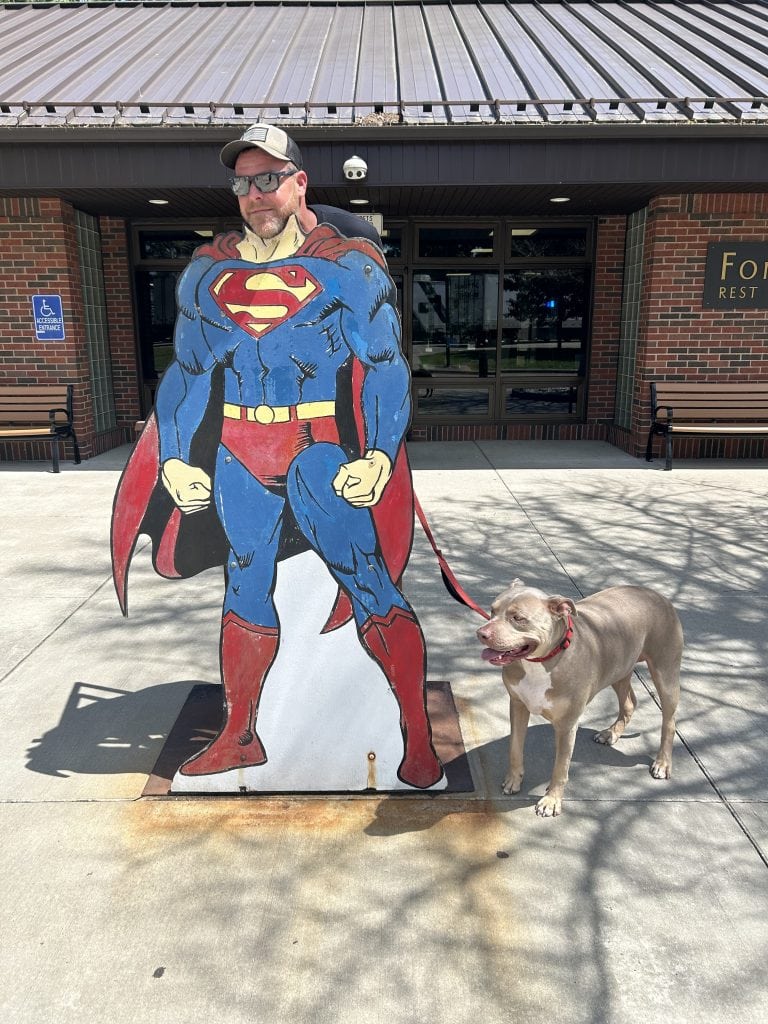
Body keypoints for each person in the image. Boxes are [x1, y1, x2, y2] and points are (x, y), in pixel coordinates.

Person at [112, 123, 442, 790]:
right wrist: (175, 456)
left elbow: (382, 366)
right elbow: (188, 373)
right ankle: (242, 736)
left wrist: (377, 454)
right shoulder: (209, 274)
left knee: (368, 579)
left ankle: (417, 735)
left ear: (298, 182)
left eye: (269, 178)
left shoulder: (346, 267)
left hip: (316, 447)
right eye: (242, 181)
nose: (255, 192)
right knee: (245, 580)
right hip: (238, 452)